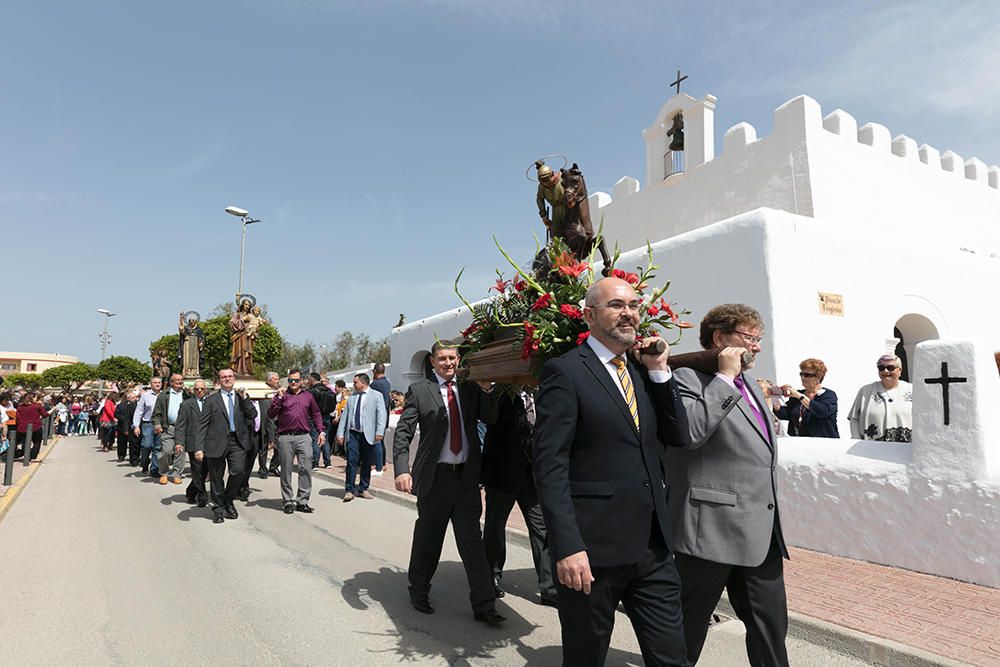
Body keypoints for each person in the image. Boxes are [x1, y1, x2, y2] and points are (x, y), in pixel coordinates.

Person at [532, 276, 690, 666]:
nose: (629, 313)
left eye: (634, 305)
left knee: (672, 656)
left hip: (652, 547)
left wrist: (659, 371)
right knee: (585, 657)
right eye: (617, 305)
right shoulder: (565, 372)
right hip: (592, 551)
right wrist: (567, 546)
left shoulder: (641, 371)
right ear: (589, 316)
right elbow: (550, 465)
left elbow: (677, 435)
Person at [669, 304, 789, 667]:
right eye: (749, 337)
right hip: (711, 527)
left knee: (771, 626)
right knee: (688, 626)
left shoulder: (751, 383)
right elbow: (690, 433)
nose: (757, 346)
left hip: (760, 529)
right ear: (719, 338)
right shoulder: (685, 379)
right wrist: (723, 378)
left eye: (759, 339)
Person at [392, 341, 503, 625]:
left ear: (458, 359)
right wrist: (402, 470)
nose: (448, 363)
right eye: (442, 358)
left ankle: (484, 605)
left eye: (452, 358)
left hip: (466, 479)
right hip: (435, 479)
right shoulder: (420, 390)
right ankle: (419, 590)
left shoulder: (469, 388)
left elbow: (490, 417)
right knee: (429, 539)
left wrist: (487, 389)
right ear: (432, 361)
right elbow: (403, 432)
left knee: (472, 543)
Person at [482, 391, 557, 607]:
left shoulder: (541, 395)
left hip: (532, 478)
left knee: (541, 530)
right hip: (503, 478)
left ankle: (549, 588)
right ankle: (492, 575)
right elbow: (492, 427)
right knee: (495, 527)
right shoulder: (501, 396)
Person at [194, 368, 257, 524]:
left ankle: (228, 500)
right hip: (216, 442)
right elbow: (202, 425)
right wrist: (199, 447)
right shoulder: (211, 400)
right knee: (216, 478)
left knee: (238, 471)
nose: (227, 379)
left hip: (237, 441)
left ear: (234, 378)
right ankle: (218, 508)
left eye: (230, 376)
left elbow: (253, 414)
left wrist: (245, 398)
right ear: (219, 380)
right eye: (224, 377)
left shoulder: (241, 397)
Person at [268, 369, 323, 515]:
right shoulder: (282, 395)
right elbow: (271, 414)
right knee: (286, 470)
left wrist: (321, 431)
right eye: (291, 380)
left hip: (304, 436)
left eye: (296, 380)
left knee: (306, 468)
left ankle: (302, 501)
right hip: (286, 437)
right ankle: (287, 500)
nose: (293, 383)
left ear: (301, 381)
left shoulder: (308, 396)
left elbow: (316, 413)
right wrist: (279, 398)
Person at [336, 373, 387, 502]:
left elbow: (381, 415)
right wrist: (340, 433)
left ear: (363, 383)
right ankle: (349, 489)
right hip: (353, 434)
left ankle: (363, 488)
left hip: (368, 434)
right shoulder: (352, 398)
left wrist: (380, 431)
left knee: (367, 462)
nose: (353, 385)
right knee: (351, 461)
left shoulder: (376, 396)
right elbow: (345, 417)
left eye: (355, 382)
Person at [765, 358, 839, 438]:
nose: (803, 377)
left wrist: (799, 396)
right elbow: (785, 414)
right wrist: (774, 396)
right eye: (801, 374)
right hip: (799, 443)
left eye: (807, 375)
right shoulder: (798, 394)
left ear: (818, 377)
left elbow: (821, 411)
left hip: (824, 443)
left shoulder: (828, 395)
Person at [847, 354, 913, 442]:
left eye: (890, 368)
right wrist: (856, 440)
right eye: (881, 368)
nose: (885, 371)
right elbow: (854, 418)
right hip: (872, 447)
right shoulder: (866, 391)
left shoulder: (912, 390)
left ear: (900, 370)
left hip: (905, 447)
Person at [176, 380, 209, 507]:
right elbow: (180, 425)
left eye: (202, 389)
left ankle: (190, 491)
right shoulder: (186, 405)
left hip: (208, 442)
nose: (199, 391)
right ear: (193, 390)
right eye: (197, 389)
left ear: (206, 389)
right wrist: (179, 442)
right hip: (193, 442)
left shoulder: (211, 403)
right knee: (197, 470)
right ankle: (202, 496)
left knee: (205, 470)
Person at [152, 373, 190, 485]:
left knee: (180, 451)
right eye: (177, 380)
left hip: (183, 428)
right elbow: (156, 413)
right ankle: (164, 472)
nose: (180, 382)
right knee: (166, 451)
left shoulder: (187, 395)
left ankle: (177, 474)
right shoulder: (163, 395)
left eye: (181, 380)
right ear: (171, 382)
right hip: (168, 427)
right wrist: (157, 424)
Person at [132, 377, 162, 476]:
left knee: (158, 447)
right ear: (151, 384)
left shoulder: (164, 395)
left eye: (159, 382)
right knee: (147, 445)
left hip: (160, 424)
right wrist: (136, 426)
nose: (157, 384)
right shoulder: (145, 396)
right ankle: (144, 463)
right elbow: (139, 411)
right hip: (148, 423)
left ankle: (155, 469)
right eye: (155, 383)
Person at [306, 372, 337, 469]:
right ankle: (327, 462)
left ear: (311, 380)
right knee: (325, 439)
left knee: (315, 439)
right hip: (326, 416)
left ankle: (315, 463)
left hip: (314, 417)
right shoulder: (329, 391)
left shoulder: (311, 391)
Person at [255, 372, 281, 479]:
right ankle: (262, 469)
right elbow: (267, 414)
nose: (277, 381)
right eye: (275, 379)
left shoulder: (279, 391)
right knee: (264, 448)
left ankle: (273, 467)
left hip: (278, 424)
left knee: (280, 447)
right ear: (269, 380)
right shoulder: (264, 392)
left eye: (278, 379)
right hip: (266, 424)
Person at [369, 363, 391, 475]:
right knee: (381, 441)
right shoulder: (387, 383)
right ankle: (382, 463)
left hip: (377, 417)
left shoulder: (375, 384)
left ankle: (378, 466)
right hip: (385, 416)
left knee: (376, 441)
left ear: (374, 371)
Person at [14, 392, 49, 460]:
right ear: (33, 398)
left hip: (23, 427)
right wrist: (52, 410)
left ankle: (26, 455)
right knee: (37, 442)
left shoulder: (20, 407)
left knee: (25, 442)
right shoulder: (37, 406)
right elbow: (45, 415)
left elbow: (17, 418)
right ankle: (33, 457)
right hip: (36, 427)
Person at [117, 389, 140, 465]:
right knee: (122, 443)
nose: (135, 399)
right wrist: (123, 420)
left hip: (133, 426)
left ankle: (134, 459)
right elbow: (117, 414)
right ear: (128, 398)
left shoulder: (137, 405)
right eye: (133, 398)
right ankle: (121, 456)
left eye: (135, 397)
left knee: (134, 444)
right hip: (122, 426)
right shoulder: (121, 405)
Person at [178, 312, 205, 377]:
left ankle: (195, 372)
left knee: (195, 359)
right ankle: (187, 372)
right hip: (187, 344)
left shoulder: (199, 330)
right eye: (190, 321)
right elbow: (181, 329)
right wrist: (181, 319)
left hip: (195, 345)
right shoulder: (186, 328)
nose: (191, 322)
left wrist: (201, 343)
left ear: (195, 321)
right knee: (187, 358)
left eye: (193, 321)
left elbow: (202, 338)